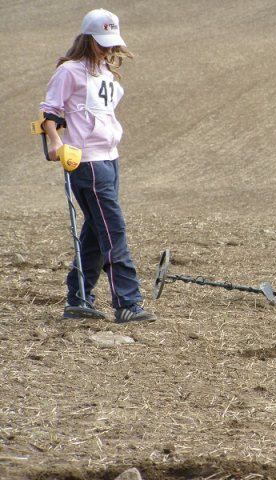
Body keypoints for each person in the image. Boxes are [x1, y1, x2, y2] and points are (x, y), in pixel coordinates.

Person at [39, 9, 156, 323]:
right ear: (87, 38)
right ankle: (127, 303)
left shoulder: (104, 70)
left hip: (110, 159)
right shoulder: (70, 71)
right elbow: (50, 112)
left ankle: (78, 298)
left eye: (111, 42)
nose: (107, 48)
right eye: (102, 42)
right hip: (86, 163)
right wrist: (55, 142)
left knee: (96, 231)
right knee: (112, 229)